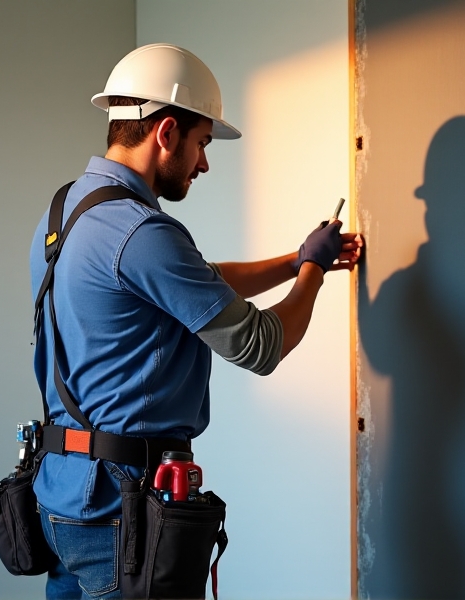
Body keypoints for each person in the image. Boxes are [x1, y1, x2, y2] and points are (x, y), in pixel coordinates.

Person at [29, 43, 363, 599]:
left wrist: (291, 258)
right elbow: (262, 345)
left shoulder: (66, 211)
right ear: (165, 133)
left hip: (62, 500)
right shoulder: (141, 232)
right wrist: (313, 271)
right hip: (122, 514)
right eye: (202, 142)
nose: (204, 163)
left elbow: (192, 283)